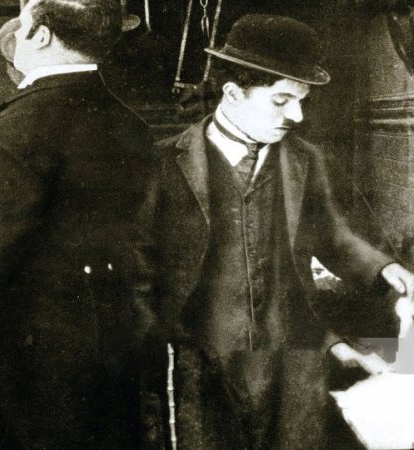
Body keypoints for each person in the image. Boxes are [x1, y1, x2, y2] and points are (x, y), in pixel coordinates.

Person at [134, 14, 414, 449]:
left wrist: (384, 268)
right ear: (232, 93)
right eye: (281, 101)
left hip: (292, 356)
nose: (296, 116)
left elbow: (334, 235)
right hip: (202, 363)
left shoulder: (306, 159)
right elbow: (140, 272)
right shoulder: (164, 164)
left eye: (301, 101)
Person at [0, 0, 152, 448]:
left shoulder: (17, 127)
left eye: (21, 26)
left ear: (41, 36)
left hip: (36, 345)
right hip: (119, 332)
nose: (17, 35)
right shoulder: (128, 121)